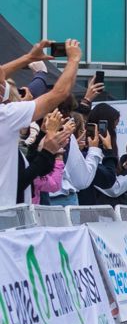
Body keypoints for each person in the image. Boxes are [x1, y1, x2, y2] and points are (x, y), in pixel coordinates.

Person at [1, 39, 82, 203]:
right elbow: (59, 93)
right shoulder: (5, 116)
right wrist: (73, 60)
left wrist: (29, 58)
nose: (3, 84)